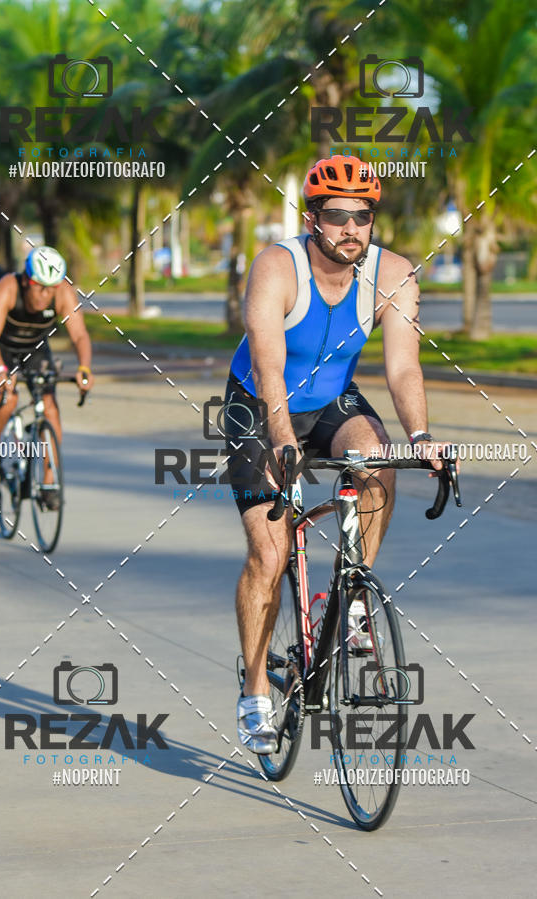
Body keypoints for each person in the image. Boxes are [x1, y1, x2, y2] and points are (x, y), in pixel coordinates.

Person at [224, 156, 454, 754]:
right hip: (260, 404)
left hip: (331, 400)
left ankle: (351, 597)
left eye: (363, 215)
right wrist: (281, 440)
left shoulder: (394, 274)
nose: (351, 228)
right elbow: (269, 367)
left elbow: (403, 367)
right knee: (269, 555)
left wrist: (422, 438)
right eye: (337, 216)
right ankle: (255, 690)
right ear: (312, 219)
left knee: (377, 460)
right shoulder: (278, 267)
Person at [0, 246, 94, 498]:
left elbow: (79, 335)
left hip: (35, 349)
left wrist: (84, 368)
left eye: (51, 288)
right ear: (26, 280)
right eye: (39, 287)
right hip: (1, 348)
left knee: (50, 408)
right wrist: (0, 371)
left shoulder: (62, 292)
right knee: (8, 400)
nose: (45, 294)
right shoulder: (8, 287)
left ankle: (49, 483)